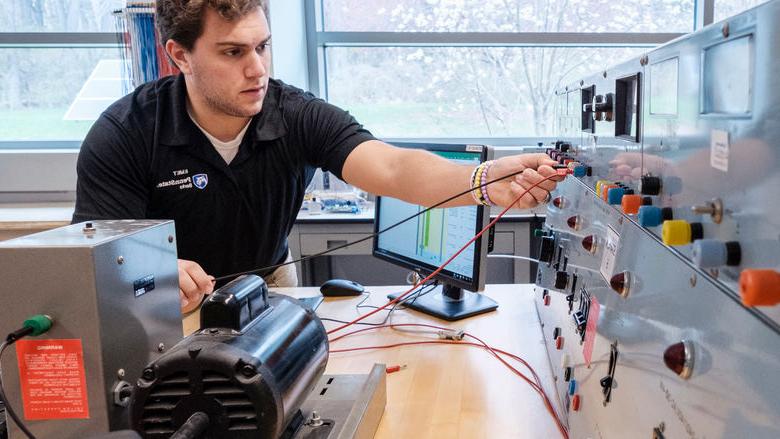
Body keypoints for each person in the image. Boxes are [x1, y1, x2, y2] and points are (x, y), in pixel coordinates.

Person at [72, 0, 563, 314]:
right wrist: (156, 272)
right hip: (167, 302)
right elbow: (94, 259)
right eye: (232, 53)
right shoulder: (126, 132)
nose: (257, 69)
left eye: (263, 46)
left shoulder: (297, 114)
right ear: (180, 56)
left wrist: (481, 180)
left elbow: (390, 167)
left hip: (270, 284)